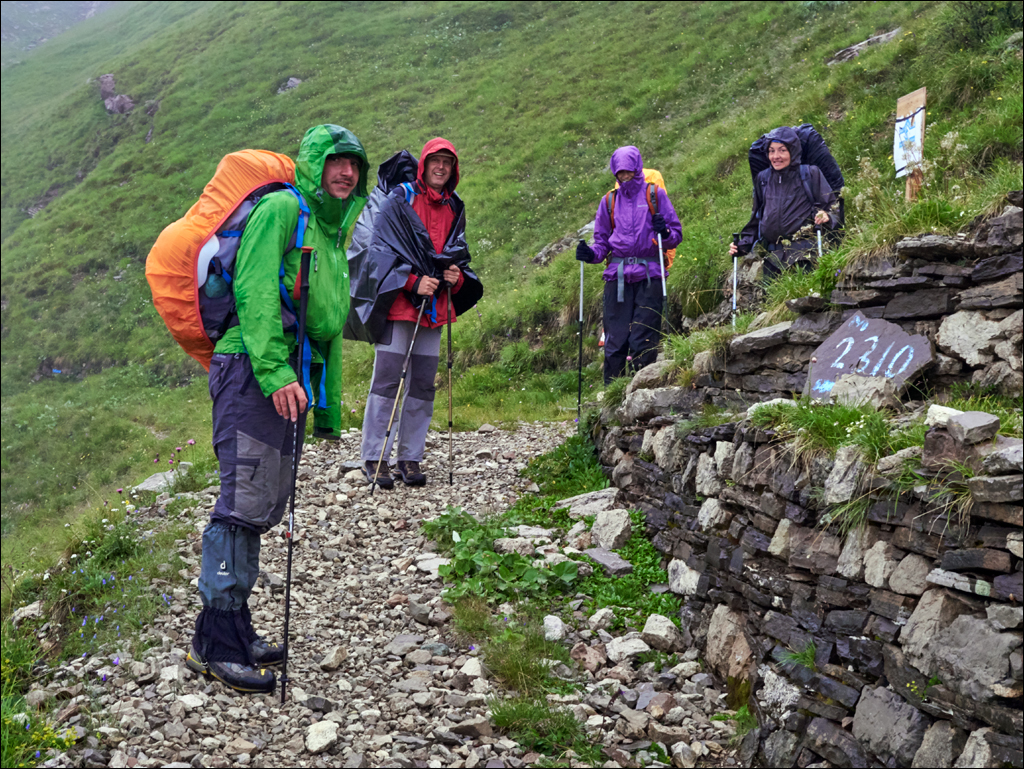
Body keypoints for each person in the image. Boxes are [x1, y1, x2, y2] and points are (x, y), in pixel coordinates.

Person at [186, 125, 369, 693]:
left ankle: (235, 627)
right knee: (242, 499)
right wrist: (274, 372)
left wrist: (327, 408)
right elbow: (255, 290)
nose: (346, 173)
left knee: (261, 501)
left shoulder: (331, 233)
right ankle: (214, 644)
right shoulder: (281, 211)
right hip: (252, 370)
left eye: (354, 166)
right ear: (313, 165)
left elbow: (326, 327)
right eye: (335, 163)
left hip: (284, 376)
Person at [352, 138, 483, 489]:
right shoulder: (401, 199)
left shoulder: (455, 206)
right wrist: (412, 282)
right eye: (435, 161)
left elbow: (456, 254)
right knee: (387, 380)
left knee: (423, 384)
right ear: (423, 164)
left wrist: (455, 278)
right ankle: (374, 457)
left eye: (447, 162)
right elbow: (380, 252)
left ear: (454, 169)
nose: (441, 167)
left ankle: (409, 458)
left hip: (434, 308)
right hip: (400, 305)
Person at [577, 146, 682, 384]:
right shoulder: (609, 201)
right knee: (615, 339)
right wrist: (590, 254)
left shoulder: (655, 195)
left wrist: (663, 231)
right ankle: (612, 395)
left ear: (637, 169)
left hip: (650, 275)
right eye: (620, 173)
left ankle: (639, 392)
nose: (625, 177)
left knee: (643, 339)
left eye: (628, 171)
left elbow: (675, 235)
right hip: (618, 276)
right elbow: (602, 243)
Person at [730, 125, 839, 278]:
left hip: (806, 254)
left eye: (782, 150)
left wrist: (825, 215)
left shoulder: (810, 173)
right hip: (774, 261)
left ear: (793, 151)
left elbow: (832, 206)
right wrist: (741, 246)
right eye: (771, 151)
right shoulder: (763, 179)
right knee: (769, 300)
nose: (776, 156)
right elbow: (757, 218)